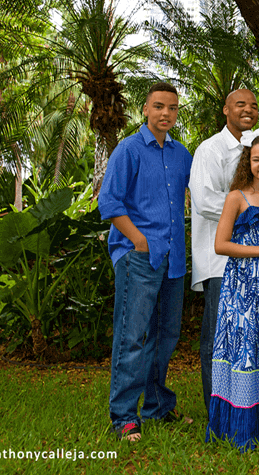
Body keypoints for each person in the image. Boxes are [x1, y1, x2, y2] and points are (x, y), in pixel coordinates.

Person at [98, 82, 193, 441]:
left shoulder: (183, 154)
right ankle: (123, 415)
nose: (165, 113)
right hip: (138, 257)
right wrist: (137, 240)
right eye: (158, 106)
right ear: (145, 109)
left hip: (172, 261)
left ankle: (156, 406)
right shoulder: (129, 149)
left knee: (165, 336)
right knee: (132, 336)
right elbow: (109, 203)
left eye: (171, 107)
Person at [206, 134, 259, 451]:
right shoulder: (236, 197)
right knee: (243, 351)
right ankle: (240, 426)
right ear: (248, 162)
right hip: (241, 288)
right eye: (257, 159)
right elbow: (221, 245)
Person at [190, 88, 259, 417]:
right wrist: (252, 211)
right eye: (240, 104)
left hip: (254, 260)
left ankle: (243, 408)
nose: (248, 110)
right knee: (219, 340)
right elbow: (204, 202)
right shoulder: (211, 149)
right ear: (225, 110)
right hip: (220, 262)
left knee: (248, 338)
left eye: (254, 105)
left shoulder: (257, 151)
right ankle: (218, 412)